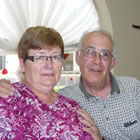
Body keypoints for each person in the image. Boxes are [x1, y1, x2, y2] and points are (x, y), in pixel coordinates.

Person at [1, 30, 140, 140]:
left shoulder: (71, 106)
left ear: (113, 63)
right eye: (40, 57)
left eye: (55, 57)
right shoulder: (7, 99)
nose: (49, 65)